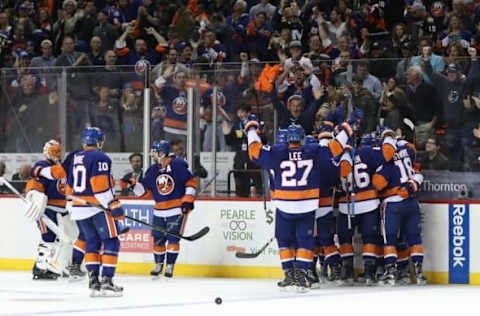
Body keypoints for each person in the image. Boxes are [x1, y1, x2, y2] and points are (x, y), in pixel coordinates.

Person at [246, 117, 353, 292]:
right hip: (307, 206)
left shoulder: (276, 152)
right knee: (305, 241)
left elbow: (254, 151)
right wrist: (347, 130)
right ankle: (303, 274)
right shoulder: (313, 151)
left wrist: (251, 129)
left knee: (284, 240)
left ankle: (288, 274)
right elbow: (335, 148)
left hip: (285, 205)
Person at [34, 127, 125, 297]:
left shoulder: (74, 156)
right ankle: (107, 281)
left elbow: (55, 173)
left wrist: (39, 170)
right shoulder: (100, 157)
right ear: (99, 141)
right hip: (96, 206)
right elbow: (100, 186)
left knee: (92, 242)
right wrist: (113, 204)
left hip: (77, 208)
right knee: (111, 241)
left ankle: (93, 282)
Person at [124, 140, 197, 278]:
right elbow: (145, 193)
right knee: (158, 239)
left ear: (162, 152)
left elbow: (191, 182)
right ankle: (158, 265)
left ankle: (170, 266)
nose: (152, 154)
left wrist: (188, 199)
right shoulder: (152, 170)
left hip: (176, 210)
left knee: (173, 239)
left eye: (155, 152)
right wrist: (133, 185)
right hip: (159, 210)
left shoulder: (178, 165)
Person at [25, 140, 86, 280]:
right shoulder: (42, 165)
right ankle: (40, 268)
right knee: (49, 238)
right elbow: (35, 181)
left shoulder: (63, 167)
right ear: (47, 152)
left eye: (59, 151)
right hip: (47, 210)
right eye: (54, 151)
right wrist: (33, 193)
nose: (57, 154)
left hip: (64, 210)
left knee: (69, 239)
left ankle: (66, 266)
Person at [372, 139, 426, 286]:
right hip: (411, 202)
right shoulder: (407, 152)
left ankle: (390, 272)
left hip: (393, 205)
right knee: (414, 238)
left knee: (390, 239)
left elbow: (378, 184)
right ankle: (418, 272)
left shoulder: (385, 164)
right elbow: (413, 148)